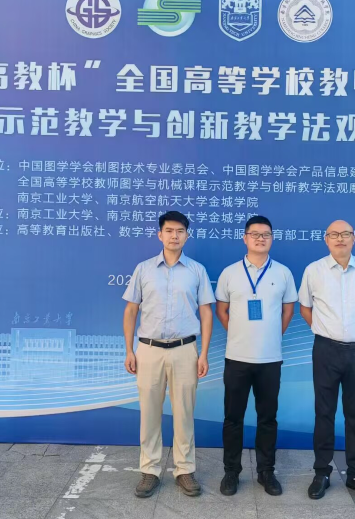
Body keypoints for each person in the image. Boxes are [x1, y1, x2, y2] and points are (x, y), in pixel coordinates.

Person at [122, 211, 215, 498]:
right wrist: (129, 350)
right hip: (148, 350)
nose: (175, 235)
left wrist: (203, 353)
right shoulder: (144, 269)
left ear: (187, 235)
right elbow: (131, 310)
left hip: (185, 350)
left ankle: (184, 469)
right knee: (149, 412)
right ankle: (149, 470)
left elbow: (206, 313)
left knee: (184, 412)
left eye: (180, 231)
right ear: (160, 234)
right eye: (169, 230)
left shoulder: (197, 271)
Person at [298, 220, 355, 502]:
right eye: (334, 234)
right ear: (326, 240)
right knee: (324, 413)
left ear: (354, 239)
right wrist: (326, 332)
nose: (340, 239)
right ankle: (321, 472)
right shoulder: (313, 270)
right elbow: (305, 308)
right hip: (325, 350)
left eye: (345, 234)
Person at [215, 215, 298, 497]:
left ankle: (266, 472)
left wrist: (272, 336)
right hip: (237, 357)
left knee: (267, 418)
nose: (260, 239)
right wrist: (239, 333)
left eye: (266, 234)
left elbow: (288, 310)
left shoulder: (283, 273)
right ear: (245, 238)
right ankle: (231, 472)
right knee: (233, 418)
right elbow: (221, 310)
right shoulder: (230, 273)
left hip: (269, 359)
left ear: (272, 238)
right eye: (255, 234)